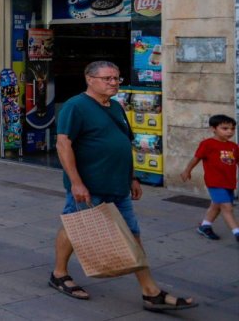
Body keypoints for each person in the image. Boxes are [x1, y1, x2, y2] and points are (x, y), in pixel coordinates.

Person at [49, 61, 195, 312]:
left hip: (118, 185)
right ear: (89, 79)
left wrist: (132, 177)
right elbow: (64, 145)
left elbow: (123, 144)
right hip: (90, 185)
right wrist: (76, 182)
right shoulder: (76, 106)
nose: (114, 82)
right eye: (107, 78)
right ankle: (59, 274)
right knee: (74, 228)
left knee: (132, 234)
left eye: (116, 78)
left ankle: (151, 292)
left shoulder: (115, 106)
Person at [180, 114, 239, 242]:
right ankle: (237, 232)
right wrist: (187, 170)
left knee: (216, 206)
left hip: (229, 182)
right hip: (215, 182)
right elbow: (196, 158)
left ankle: (205, 226)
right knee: (227, 208)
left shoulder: (234, 147)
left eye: (232, 129)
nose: (230, 131)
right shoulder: (208, 144)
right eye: (225, 128)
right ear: (213, 128)